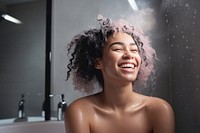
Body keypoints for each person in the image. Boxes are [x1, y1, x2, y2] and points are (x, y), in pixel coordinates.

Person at [64, 15, 175, 133]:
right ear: (98, 62)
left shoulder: (160, 110)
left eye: (134, 50)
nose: (129, 55)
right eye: (118, 49)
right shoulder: (79, 112)